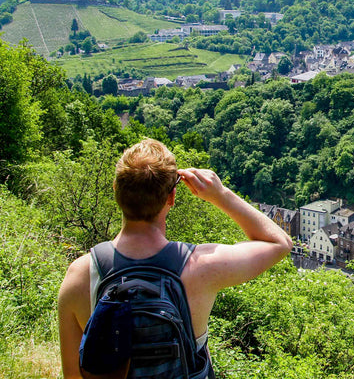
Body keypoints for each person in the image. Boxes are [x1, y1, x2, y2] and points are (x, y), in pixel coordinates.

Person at [57, 138, 293, 378]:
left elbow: (73, 373)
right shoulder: (201, 266)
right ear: (171, 197)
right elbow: (280, 242)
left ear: (116, 190)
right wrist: (220, 194)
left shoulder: (79, 275)